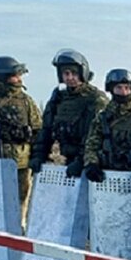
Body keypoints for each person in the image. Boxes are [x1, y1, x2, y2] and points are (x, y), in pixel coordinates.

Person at [0, 56, 42, 207]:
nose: (19, 79)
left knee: (19, 205)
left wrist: (38, 157)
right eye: (14, 76)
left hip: (22, 165)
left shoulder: (25, 100)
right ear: (1, 77)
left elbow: (38, 131)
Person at [30, 49, 109, 177]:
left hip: (92, 164)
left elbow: (96, 135)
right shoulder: (58, 99)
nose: (70, 77)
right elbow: (46, 130)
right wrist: (39, 155)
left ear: (82, 73)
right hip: (69, 160)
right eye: (66, 73)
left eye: (74, 73)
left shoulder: (95, 99)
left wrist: (82, 160)